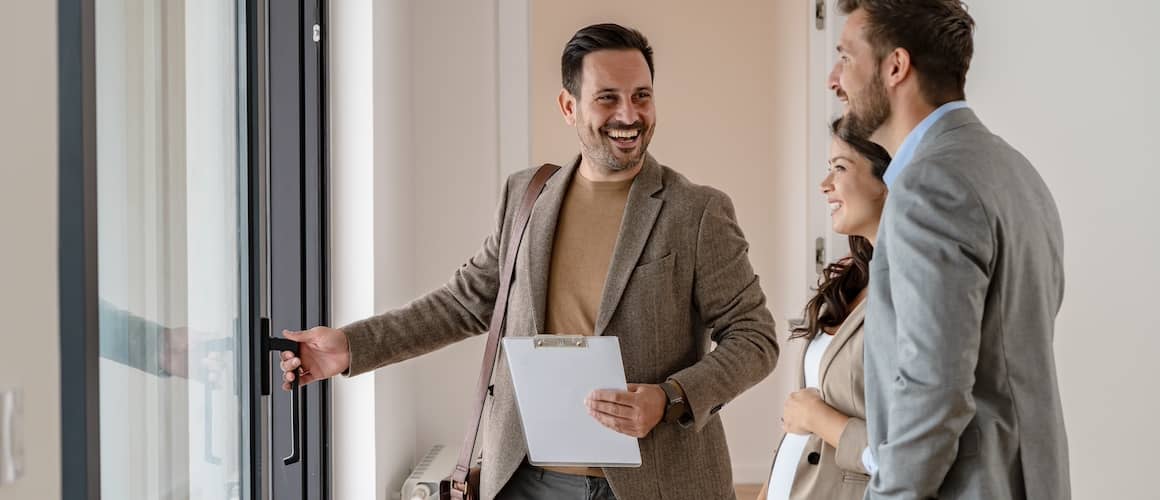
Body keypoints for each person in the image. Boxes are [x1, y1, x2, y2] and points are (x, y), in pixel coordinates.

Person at [278, 23, 779, 500]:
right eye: (607, 98)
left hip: (655, 481)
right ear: (568, 105)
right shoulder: (527, 196)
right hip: (526, 478)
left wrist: (668, 398)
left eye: (641, 96)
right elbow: (465, 303)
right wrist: (350, 346)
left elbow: (755, 336)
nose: (629, 114)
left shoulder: (697, 211)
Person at [833, 1, 1069, 498]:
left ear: (895, 67)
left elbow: (932, 393)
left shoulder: (931, 186)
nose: (835, 80)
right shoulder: (1015, 171)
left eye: (846, 58)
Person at [756, 117, 890, 500]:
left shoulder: (911, 293)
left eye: (840, 168)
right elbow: (802, 416)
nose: (824, 184)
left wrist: (817, 417)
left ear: (886, 179)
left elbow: (908, 454)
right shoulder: (853, 278)